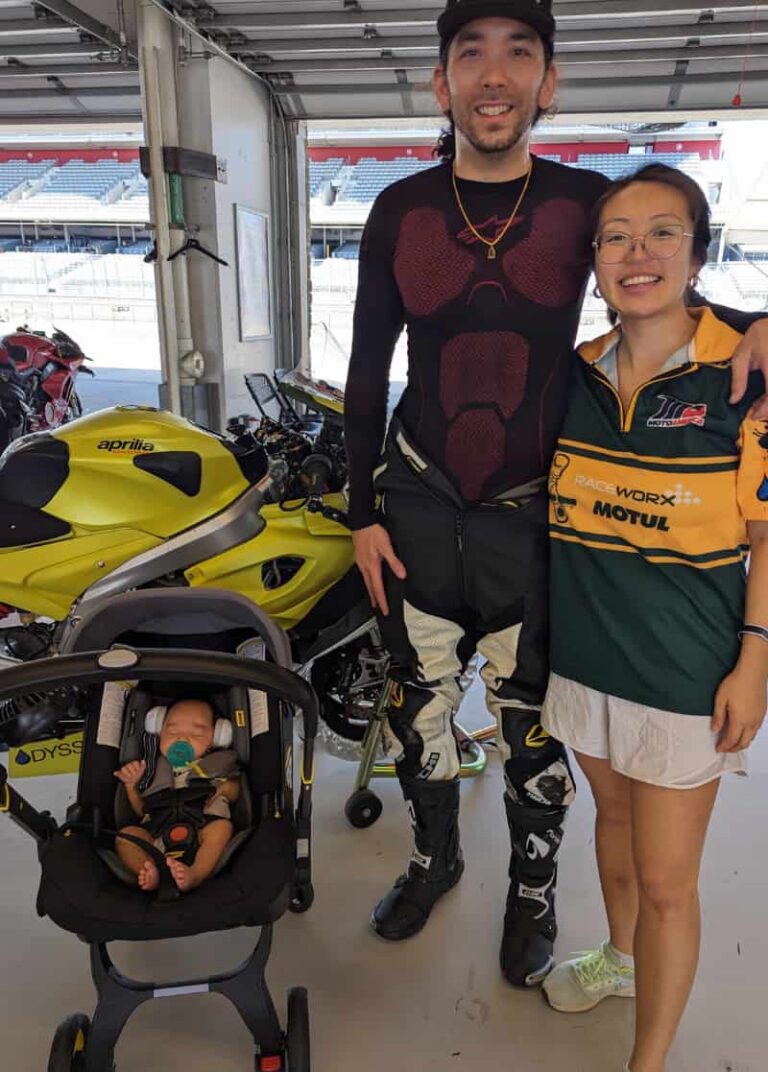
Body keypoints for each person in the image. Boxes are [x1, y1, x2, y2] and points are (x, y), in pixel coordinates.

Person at [343, 0, 768, 988]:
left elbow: (661, 281)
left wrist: (756, 321)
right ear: (441, 83)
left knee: (533, 725)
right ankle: (433, 856)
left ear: (550, 83)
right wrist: (357, 512)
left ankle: (530, 895)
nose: (495, 75)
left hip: (535, 518)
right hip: (413, 503)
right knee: (419, 711)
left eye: (519, 54)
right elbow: (366, 371)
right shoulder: (399, 210)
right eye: (471, 55)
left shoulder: (583, 203)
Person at [540, 164, 768, 1072]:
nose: (639, 255)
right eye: (616, 237)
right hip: (585, 655)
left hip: (687, 670)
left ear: (698, 250)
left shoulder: (742, 376)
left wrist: (755, 657)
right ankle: (621, 958)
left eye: (662, 232)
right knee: (614, 820)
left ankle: (649, 1064)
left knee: (671, 883)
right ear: (593, 262)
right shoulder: (577, 374)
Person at [115, 698, 241, 893]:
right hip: (157, 834)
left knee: (222, 829)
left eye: (196, 733)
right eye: (172, 732)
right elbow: (142, 811)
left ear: (217, 737)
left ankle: (195, 874)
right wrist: (131, 785)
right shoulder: (151, 769)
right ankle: (149, 870)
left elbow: (235, 793)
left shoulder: (218, 765)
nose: (181, 739)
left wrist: (225, 789)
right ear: (159, 731)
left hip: (203, 829)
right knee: (126, 836)